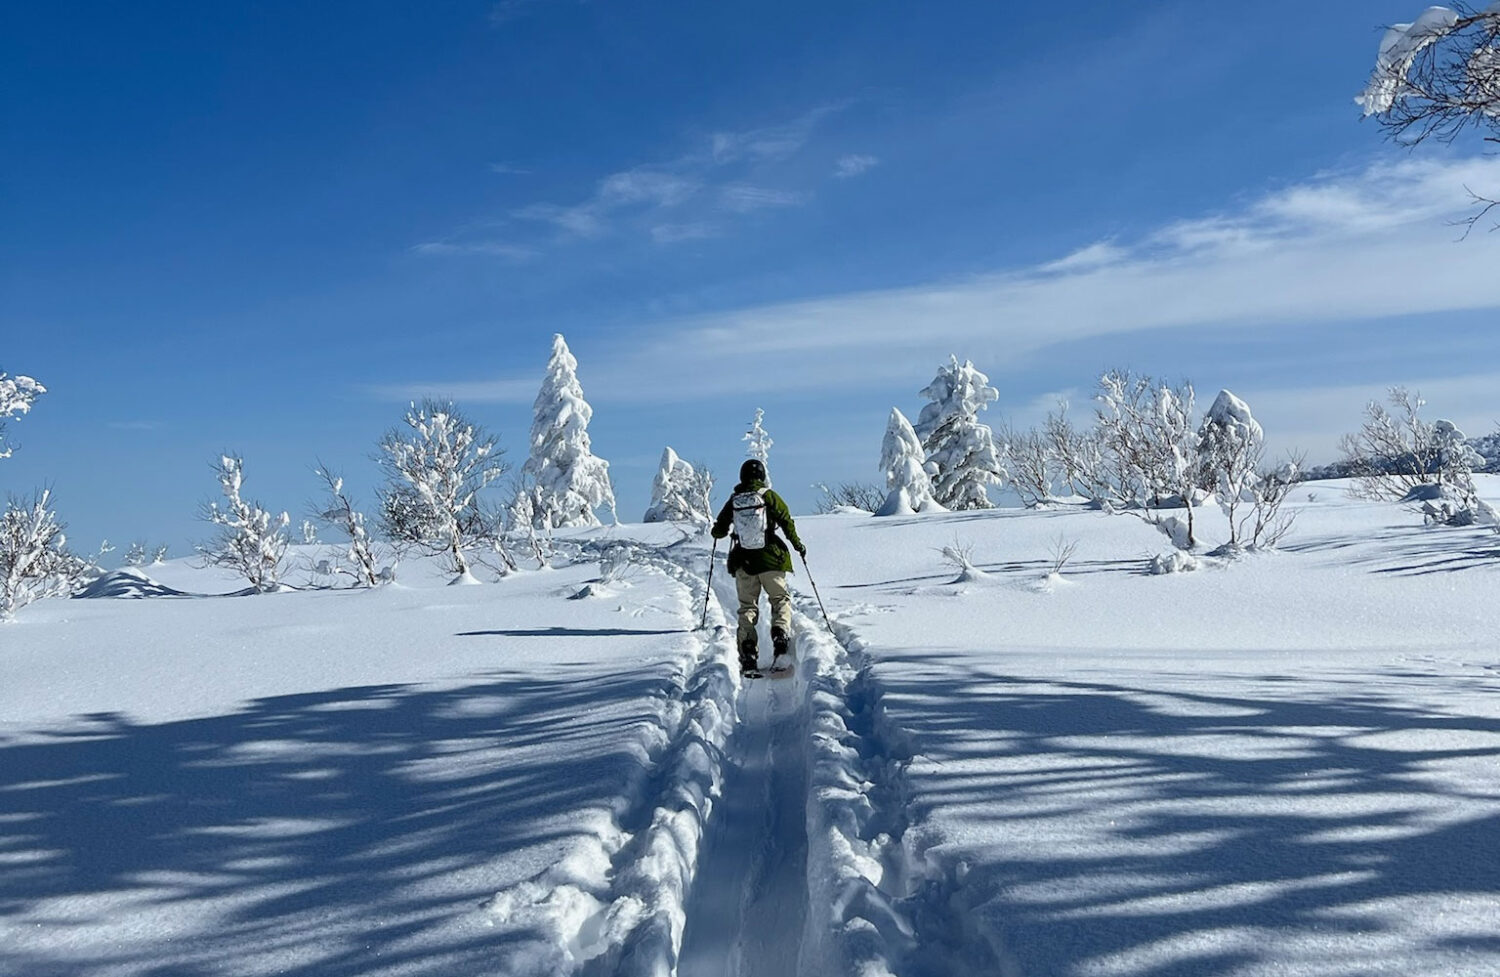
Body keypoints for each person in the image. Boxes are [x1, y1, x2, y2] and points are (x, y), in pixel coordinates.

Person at [711, 459, 806, 674]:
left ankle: (748, 653)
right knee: (779, 599)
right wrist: (798, 545)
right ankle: (781, 637)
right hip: (772, 560)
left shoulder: (734, 499)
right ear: (761, 475)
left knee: (747, 608)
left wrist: (721, 531)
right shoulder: (768, 495)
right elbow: (786, 520)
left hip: (744, 563)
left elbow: (718, 530)